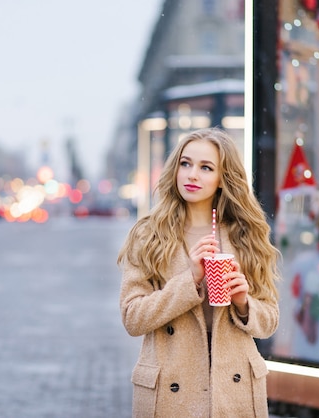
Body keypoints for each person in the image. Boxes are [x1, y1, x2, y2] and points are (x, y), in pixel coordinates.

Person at [118, 127, 280, 417]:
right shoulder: (149, 236)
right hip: (171, 391)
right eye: (186, 163)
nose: (192, 175)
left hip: (234, 391)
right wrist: (188, 281)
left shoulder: (246, 235)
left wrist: (244, 304)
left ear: (222, 179)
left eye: (206, 168)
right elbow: (133, 318)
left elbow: (268, 321)